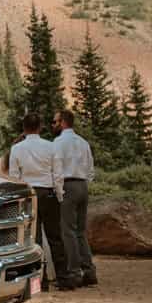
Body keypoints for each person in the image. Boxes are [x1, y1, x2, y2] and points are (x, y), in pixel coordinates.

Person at [7, 112, 73, 290]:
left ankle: (37, 282)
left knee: (32, 240)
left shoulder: (17, 149)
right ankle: (64, 279)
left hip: (28, 195)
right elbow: (58, 174)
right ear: (40, 127)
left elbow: (14, 176)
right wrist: (59, 195)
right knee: (55, 237)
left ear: (23, 128)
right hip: (48, 193)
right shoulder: (51, 147)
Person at [52, 109, 98, 288]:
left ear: (63, 122)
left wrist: (58, 191)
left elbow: (56, 169)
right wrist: (85, 182)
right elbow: (91, 169)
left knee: (67, 231)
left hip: (68, 186)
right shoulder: (83, 142)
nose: (53, 125)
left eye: (55, 122)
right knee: (80, 231)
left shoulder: (58, 143)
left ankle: (73, 273)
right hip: (82, 186)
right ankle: (89, 271)